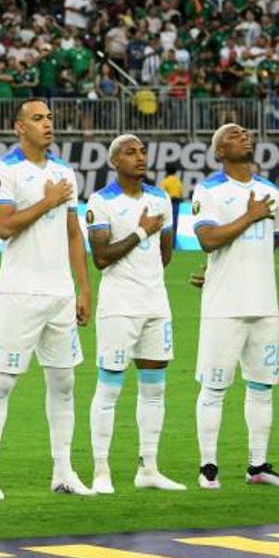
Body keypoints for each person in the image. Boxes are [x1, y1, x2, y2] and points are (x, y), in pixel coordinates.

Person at [0, 98, 92, 500]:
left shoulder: (63, 173)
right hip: (19, 293)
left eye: (50, 118)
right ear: (19, 127)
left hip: (59, 293)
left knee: (64, 382)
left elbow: (74, 233)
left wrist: (83, 286)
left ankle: (63, 472)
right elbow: (4, 226)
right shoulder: (4, 170)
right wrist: (47, 200)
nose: (48, 124)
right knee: (2, 383)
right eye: (38, 119)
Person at [192, 124, 279, 489]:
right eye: (234, 135)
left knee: (262, 386)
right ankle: (208, 467)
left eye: (246, 133)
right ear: (219, 151)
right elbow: (206, 239)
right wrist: (249, 216)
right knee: (215, 387)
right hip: (224, 306)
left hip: (265, 304)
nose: (244, 136)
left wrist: (224, 266)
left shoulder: (270, 192)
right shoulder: (209, 191)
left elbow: (269, 244)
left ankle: (258, 466)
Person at [85, 136, 184, 493]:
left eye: (143, 151)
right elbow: (100, 258)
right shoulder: (100, 202)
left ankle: (149, 468)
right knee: (109, 387)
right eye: (131, 152)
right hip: (119, 307)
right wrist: (142, 230)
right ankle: (100, 471)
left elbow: (165, 253)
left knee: (155, 389)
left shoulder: (161, 198)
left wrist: (149, 267)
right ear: (114, 161)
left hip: (156, 304)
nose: (140, 157)